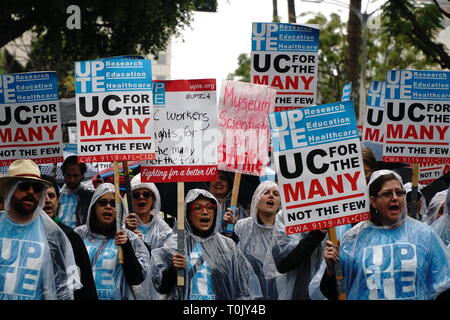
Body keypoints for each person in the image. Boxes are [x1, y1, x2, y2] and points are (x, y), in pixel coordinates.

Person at [321, 170, 450, 300]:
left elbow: (443, 286)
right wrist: (331, 271)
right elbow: (334, 293)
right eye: (387, 194)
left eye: (399, 193)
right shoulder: (353, 239)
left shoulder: (425, 235)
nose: (395, 197)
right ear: (373, 201)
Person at [150, 189, 262, 300]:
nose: (205, 212)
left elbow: (243, 288)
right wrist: (172, 270)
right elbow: (160, 286)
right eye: (198, 208)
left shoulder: (228, 247)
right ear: (188, 214)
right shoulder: (175, 245)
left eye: (210, 207)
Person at [0, 159, 81, 299]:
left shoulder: (52, 233)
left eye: (37, 188)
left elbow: (63, 287)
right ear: (10, 189)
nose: (31, 192)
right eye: (24, 186)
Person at [74, 183, 151, 300]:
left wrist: (126, 247)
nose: (108, 206)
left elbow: (137, 279)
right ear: (94, 207)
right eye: (103, 202)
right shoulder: (78, 235)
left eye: (114, 203)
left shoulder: (130, 238)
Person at [41, 174, 98, 300]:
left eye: (51, 195)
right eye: (42, 195)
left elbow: (84, 283)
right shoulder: (25, 236)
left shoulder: (70, 237)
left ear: (57, 201)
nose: (47, 200)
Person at [125, 173, 174, 299]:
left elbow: (166, 264)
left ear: (153, 200)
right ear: (130, 200)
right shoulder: (121, 227)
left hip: (155, 293)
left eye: (146, 194)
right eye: (136, 195)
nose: (141, 198)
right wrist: (128, 235)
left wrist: (141, 245)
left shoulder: (164, 231)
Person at [233, 180, 281, 299]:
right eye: (265, 192)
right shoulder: (241, 226)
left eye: (276, 194)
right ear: (256, 198)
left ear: (280, 203)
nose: (271, 196)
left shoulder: (285, 231)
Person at [57, 155, 94, 228]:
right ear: (63, 174)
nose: (72, 180)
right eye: (68, 175)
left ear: (82, 176)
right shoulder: (57, 196)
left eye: (75, 176)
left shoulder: (89, 197)